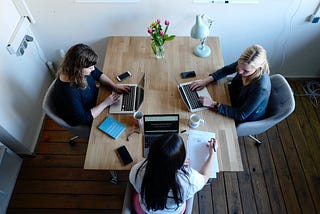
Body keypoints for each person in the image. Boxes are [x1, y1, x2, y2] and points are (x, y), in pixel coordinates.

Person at [129, 133, 217, 214]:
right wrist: (212, 154)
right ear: (180, 161)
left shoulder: (136, 171)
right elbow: (205, 177)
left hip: (146, 209)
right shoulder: (189, 181)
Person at [52, 43, 130, 126]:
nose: (93, 69)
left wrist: (113, 85)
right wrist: (106, 103)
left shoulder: (76, 72)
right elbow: (83, 118)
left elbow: (97, 74)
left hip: (96, 101)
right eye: (90, 67)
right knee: (122, 120)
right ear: (77, 68)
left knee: (125, 108)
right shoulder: (68, 93)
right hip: (87, 116)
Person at [190, 44, 271, 123]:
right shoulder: (245, 63)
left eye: (245, 71)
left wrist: (212, 104)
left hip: (243, 114)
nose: (239, 71)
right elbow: (226, 70)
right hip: (233, 97)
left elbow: (241, 114)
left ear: (258, 68)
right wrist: (205, 81)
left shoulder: (261, 89)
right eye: (239, 66)